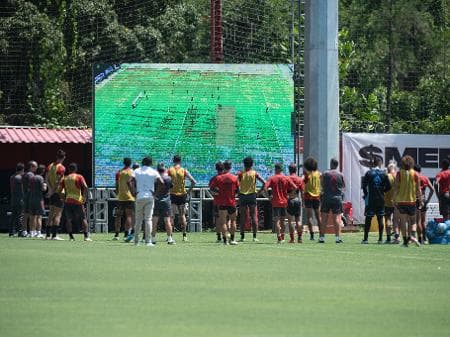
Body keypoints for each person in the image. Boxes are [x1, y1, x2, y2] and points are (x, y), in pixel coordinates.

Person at [132, 157, 162, 246]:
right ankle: (148, 241)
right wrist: (155, 193)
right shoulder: (153, 171)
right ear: (150, 163)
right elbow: (161, 182)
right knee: (148, 219)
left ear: (142, 162)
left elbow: (129, 181)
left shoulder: (136, 171)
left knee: (138, 220)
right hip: (149, 196)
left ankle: (136, 241)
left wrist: (134, 192)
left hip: (139, 196)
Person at [393, 155, 422, 247]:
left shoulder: (399, 173)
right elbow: (419, 190)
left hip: (401, 201)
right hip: (412, 201)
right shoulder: (416, 174)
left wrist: (394, 199)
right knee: (413, 221)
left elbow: (396, 188)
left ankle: (405, 242)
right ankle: (413, 236)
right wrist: (420, 201)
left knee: (402, 222)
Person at [361, 157, 391, 244]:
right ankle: (380, 239)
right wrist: (383, 191)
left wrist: (366, 195)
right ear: (380, 163)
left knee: (368, 218)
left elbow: (363, 185)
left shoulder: (369, 173)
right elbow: (389, 186)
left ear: (373, 163)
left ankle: (366, 239)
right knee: (380, 218)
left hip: (371, 199)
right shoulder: (384, 174)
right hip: (381, 199)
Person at [59, 163, 91, 241]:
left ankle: (71, 237)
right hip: (78, 201)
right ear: (76, 169)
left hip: (68, 200)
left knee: (68, 219)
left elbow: (59, 190)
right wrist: (84, 198)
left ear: (69, 170)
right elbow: (85, 187)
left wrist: (63, 198)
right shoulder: (79, 176)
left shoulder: (65, 178)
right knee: (83, 218)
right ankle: (86, 237)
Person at [264, 163, 296, 243]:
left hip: (275, 202)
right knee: (282, 220)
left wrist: (268, 197)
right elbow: (295, 187)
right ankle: (283, 237)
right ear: (281, 169)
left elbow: (265, 188)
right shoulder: (286, 178)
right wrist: (290, 195)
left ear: (276, 169)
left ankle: (279, 238)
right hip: (284, 202)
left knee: (277, 221)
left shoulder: (272, 178)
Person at [210, 160, 240, 245]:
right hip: (232, 202)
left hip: (222, 202)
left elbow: (212, 189)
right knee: (233, 220)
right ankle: (233, 239)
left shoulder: (218, 178)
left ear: (223, 167)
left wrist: (218, 194)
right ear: (230, 167)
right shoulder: (235, 178)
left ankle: (225, 240)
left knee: (223, 221)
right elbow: (238, 190)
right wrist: (233, 196)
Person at [237, 156, 265, 242]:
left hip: (243, 195)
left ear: (244, 164)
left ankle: (242, 237)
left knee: (243, 216)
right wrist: (259, 192)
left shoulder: (240, 173)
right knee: (253, 216)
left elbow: (235, 183)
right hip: (252, 195)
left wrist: (238, 191)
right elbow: (264, 182)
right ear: (252, 164)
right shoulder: (254, 173)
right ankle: (255, 236)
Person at [168, 155, 196, 242]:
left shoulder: (169, 170)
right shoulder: (184, 170)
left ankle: (170, 236)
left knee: (172, 216)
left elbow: (164, 180)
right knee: (182, 215)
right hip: (182, 195)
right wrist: (188, 191)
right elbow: (193, 181)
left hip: (173, 194)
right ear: (180, 161)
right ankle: (184, 235)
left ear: (173, 161)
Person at [320, 158, 345, 244]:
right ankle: (337, 238)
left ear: (330, 164)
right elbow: (343, 186)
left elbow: (322, 184)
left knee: (324, 218)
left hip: (326, 197)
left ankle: (322, 238)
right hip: (337, 198)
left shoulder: (325, 173)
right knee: (336, 218)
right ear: (337, 165)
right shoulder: (340, 174)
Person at [151, 163, 176, 245]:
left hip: (156, 200)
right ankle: (170, 239)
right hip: (166, 201)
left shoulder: (154, 178)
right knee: (167, 220)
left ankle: (153, 239)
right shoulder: (168, 178)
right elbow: (172, 186)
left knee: (154, 220)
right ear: (164, 169)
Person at [45, 149, 66, 240]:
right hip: (59, 193)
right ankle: (54, 235)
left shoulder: (50, 166)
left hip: (52, 192)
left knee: (51, 214)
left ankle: (47, 235)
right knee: (58, 214)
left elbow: (46, 179)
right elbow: (58, 181)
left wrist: (49, 190)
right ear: (63, 157)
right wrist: (53, 191)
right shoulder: (61, 168)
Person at [113, 157, 135, 241]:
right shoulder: (132, 172)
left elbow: (116, 185)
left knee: (118, 216)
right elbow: (133, 184)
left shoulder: (119, 172)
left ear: (123, 163)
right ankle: (126, 234)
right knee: (128, 216)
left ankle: (116, 235)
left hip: (120, 197)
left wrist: (117, 193)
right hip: (130, 197)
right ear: (130, 163)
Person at [414, 164, 434, 244]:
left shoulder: (414, 177)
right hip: (424, 199)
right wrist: (428, 200)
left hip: (416, 199)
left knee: (417, 221)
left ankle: (419, 239)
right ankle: (425, 239)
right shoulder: (425, 178)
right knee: (423, 221)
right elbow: (432, 189)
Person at [303, 156, 321, 241]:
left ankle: (312, 235)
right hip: (317, 197)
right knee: (318, 217)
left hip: (308, 196)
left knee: (309, 217)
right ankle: (321, 235)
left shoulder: (307, 175)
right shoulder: (318, 174)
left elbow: (302, 182)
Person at [286, 163, 304, 243]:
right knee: (298, 220)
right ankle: (299, 238)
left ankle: (292, 239)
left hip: (289, 200)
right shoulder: (299, 179)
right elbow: (302, 192)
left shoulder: (287, 178)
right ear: (296, 170)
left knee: (290, 221)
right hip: (297, 200)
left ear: (289, 170)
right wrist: (303, 202)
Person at [28, 165, 47, 238]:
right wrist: (45, 185)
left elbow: (29, 188)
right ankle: (38, 232)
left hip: (31, 199)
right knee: (39, 217)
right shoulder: (40, 178)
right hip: (39, 200)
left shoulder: (32, 177)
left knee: (32, 217)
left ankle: (32, 232)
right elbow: (43, 189)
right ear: (42, 171)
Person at [209, 161, 224, 243]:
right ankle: (227, 235)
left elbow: (211, 189)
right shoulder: (227, 177)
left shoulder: (214, 178)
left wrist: (216, 195)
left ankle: (219, 237)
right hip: (227, 201)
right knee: (227, 218)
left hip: (217, 201)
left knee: (218, 219)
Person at [21, 161, 37, 237]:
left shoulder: (24, 174)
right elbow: (32, 186)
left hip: (26, 196)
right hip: (30, 196)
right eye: (35, 166)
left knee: (26, 214)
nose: (36, 168)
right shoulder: (30, 174)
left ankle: (24, 231)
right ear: (31, 166)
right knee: (31, 215)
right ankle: (31, 232)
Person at [9, 162, 25, 237]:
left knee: (13, 216)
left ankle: (11, 231)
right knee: (20, 216)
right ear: (22, 170)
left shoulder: (12, 177)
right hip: (19, 199)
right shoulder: (19, 178)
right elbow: (22, 189)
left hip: (13, 199)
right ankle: (20, 232)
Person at [384, 162, 398, 244]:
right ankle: (397, 236)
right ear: (395, 168)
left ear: (388, 169)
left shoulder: (387, 176)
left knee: (387, 219)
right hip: (397, 201)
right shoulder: (398, 176)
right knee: (396, 219)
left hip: (387, 201)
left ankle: (388, 238)